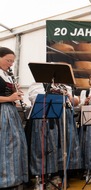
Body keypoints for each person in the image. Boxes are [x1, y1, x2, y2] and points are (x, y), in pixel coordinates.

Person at [28, 82, 81, 182]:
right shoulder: (39, 85)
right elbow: (35, 99)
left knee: (64, 145)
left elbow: (75, 102)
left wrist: (68, 96)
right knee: (48, 146)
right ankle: (47, 175)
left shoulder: (65, 86)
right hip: (47, 118)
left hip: (65, 118)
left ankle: (61, 174)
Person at [0, 47, 28, 189]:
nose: (11, 64)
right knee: (6, 146)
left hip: (11, 111)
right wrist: (9, 97)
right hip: (2, 113)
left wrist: (15, 94)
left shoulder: (7, 75)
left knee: (16, 145)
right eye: (8, 60)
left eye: (12, 61)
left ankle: (15, 178)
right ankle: (5, 181)